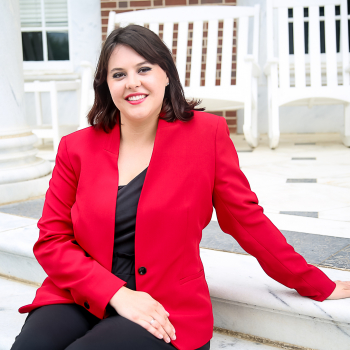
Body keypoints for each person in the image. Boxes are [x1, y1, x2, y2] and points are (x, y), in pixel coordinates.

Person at [12, 24, 350, 350]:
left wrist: (315, 282)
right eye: (119, 74)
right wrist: (116, 293)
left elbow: (246, 221)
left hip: (167, 302)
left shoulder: (207, 135)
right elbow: (52, 239)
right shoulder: (76, 147)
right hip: (79, 291)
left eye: (144, 69)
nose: (132, 83)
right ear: (106, 85)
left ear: (166, 74)